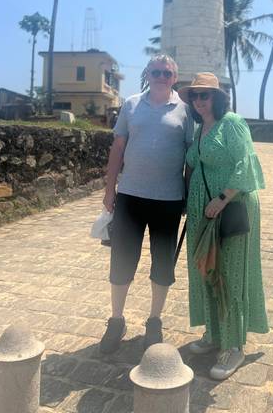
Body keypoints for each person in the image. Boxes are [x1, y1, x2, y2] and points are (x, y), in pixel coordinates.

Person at [99, 55, 193, 353]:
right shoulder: (131, 104)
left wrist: (189, 194)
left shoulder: (186, 111)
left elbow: (190, 157)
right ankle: (116, 320)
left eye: (167, 72)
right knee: (122, 260)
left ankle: (154, 320)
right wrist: (109, 187)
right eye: (156, 71)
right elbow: (118, 146)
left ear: (174, 77)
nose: (161, 76)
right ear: (148, 74)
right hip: (130, 195)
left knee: (163, 264)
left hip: (168, 199)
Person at [178, 72, 269, 381]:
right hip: (203, 211)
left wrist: (221, 198)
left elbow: (247, 164)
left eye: (205, 95)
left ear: (217, 97)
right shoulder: (200, 127)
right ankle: (215, 333)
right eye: (195, 95)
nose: (200, 100)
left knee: (229, 273)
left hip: (230, 207)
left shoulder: (232, 123)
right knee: (207, 269)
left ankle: (233, 345)